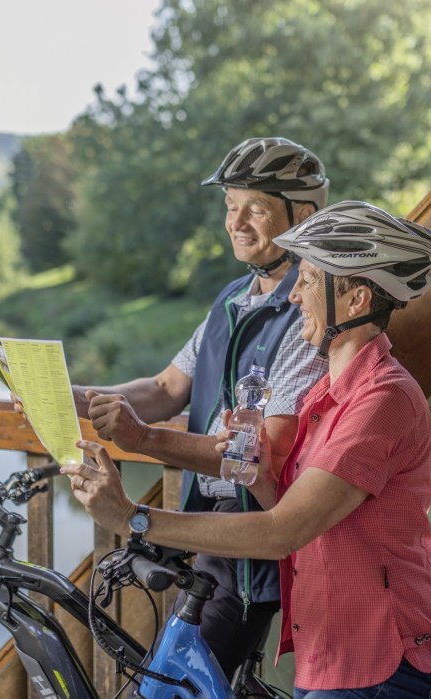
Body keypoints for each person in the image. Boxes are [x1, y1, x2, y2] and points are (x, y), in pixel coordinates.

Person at [62, 200, 431, 698]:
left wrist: (131, 518)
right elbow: (296, 514)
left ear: (357, 301)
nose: (294, 296)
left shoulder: (383, 401)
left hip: (375, 660)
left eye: (310, 280)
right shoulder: (326, 394)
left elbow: (281, 534)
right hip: (335, 653)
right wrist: (261, 475)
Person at [44, 137, 331, 679]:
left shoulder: (309, 307)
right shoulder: (231, 299)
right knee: (183, 679)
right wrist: (64, 395)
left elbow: (266, 450)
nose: (236, 222)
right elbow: (164, 387)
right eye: (229, 206)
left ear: (304, 216)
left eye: (256, 208)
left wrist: (145, 440)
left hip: (255, 547)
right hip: (207, 534)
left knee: (173, 687)